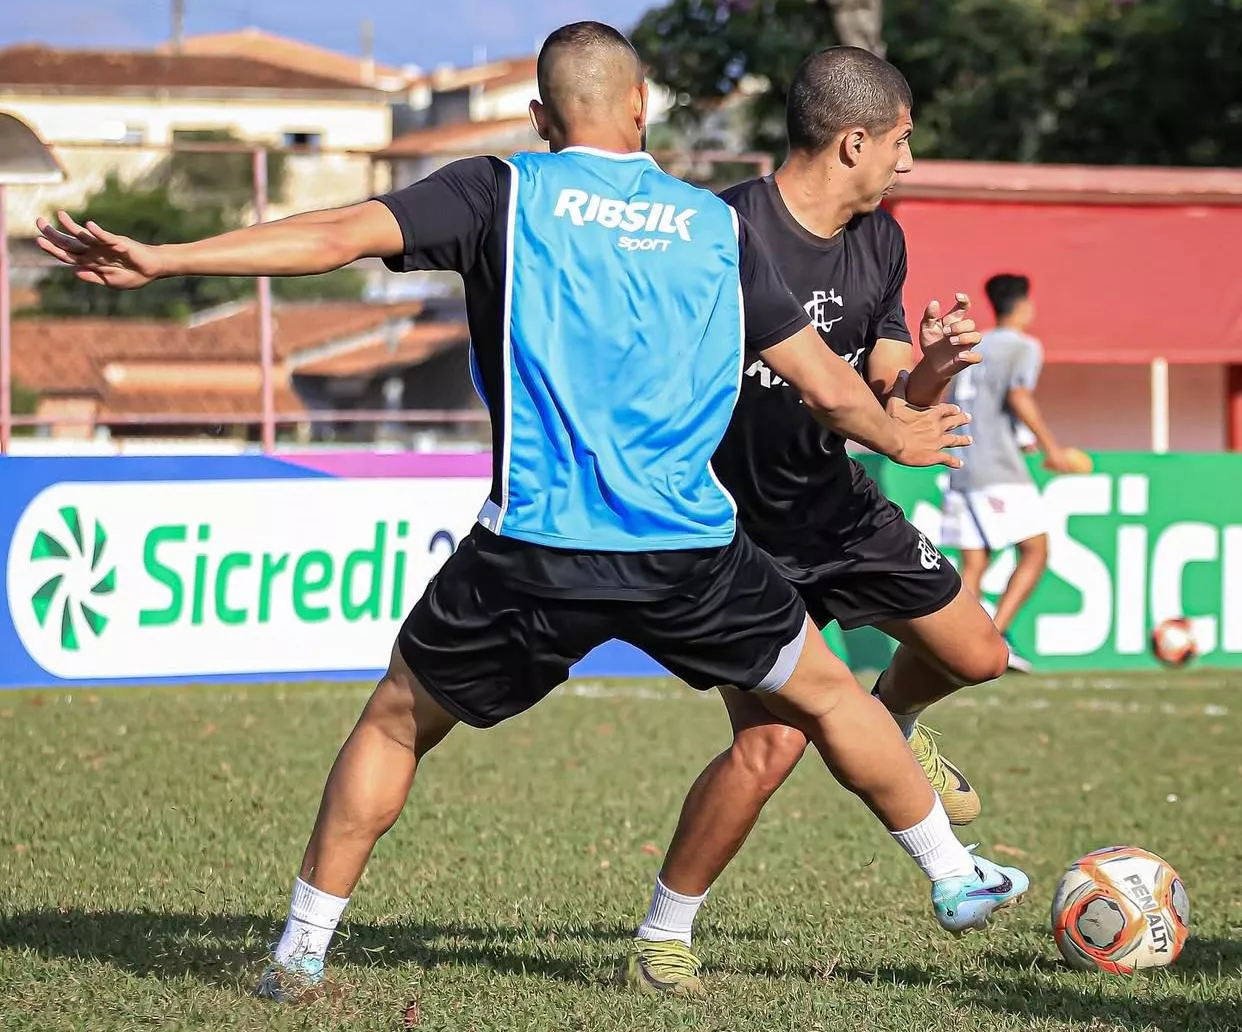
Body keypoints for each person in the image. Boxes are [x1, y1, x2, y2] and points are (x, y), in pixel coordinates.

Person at [36, 21, 1025, 1004]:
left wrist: (167, 259)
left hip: (532, 547)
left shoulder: (498, 192)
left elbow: (335, 236)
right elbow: (825, 383)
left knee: (395, 724)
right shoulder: (712, 225)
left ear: (541, 118)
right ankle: (951, 875)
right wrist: (897, 435)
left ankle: (299, 954)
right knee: (834, 700)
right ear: (640, 107)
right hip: (685, 546)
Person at [622, 47, 1019, 996]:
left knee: (978, 654)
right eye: (901, 141)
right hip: (735, 537)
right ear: (854, 142)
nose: (908, 161)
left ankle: (894, 721)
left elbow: (886, 393)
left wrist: (933, 368)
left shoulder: (881, 240)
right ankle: (663, 936)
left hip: (837, 509)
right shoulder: (717, 230)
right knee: (771, 745)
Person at [942, 273, 1078, 673]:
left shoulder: (973, 344)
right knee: (1036, 550)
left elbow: (973, 403)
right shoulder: (1022, 346)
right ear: (1024, 306)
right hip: (997, 469)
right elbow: (1017, 395)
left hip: (961, 465)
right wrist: (1052, 449)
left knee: (974, 565)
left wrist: (1018, 436)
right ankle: (992, 639)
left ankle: (955, 649)